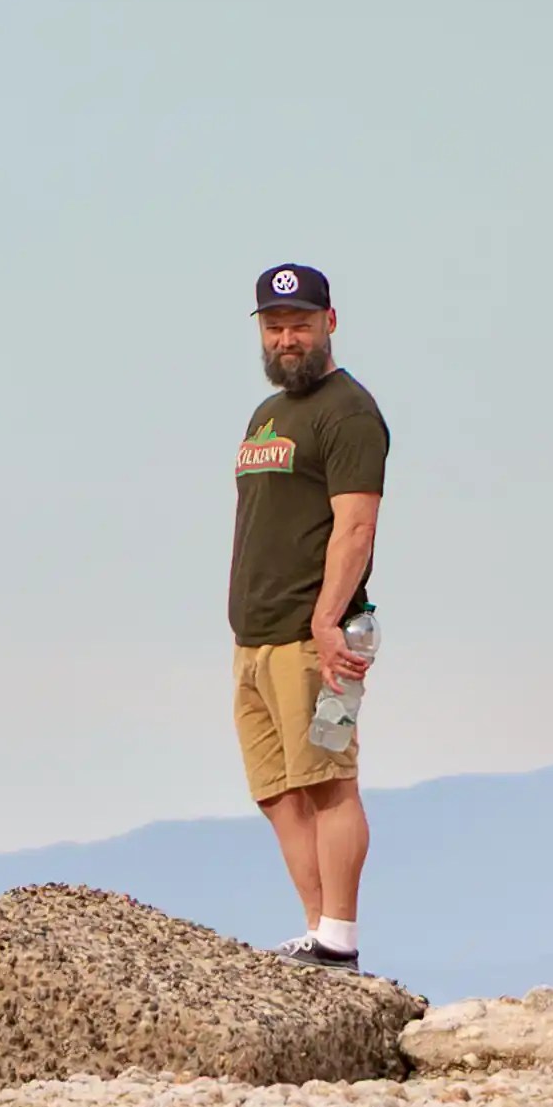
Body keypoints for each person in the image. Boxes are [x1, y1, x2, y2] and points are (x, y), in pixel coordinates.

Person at [230, 261, 387, 969]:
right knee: (276, 792)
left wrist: (327, 621)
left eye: (298, 324)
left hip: (310, 633)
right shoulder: (267, 414)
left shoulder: (347, 411)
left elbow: (354, 527)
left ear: (328, 322)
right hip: (254, 636)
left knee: (327, 781)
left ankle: (340, 936)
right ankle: (316, 932)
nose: (286, 338)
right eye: (273, 326)